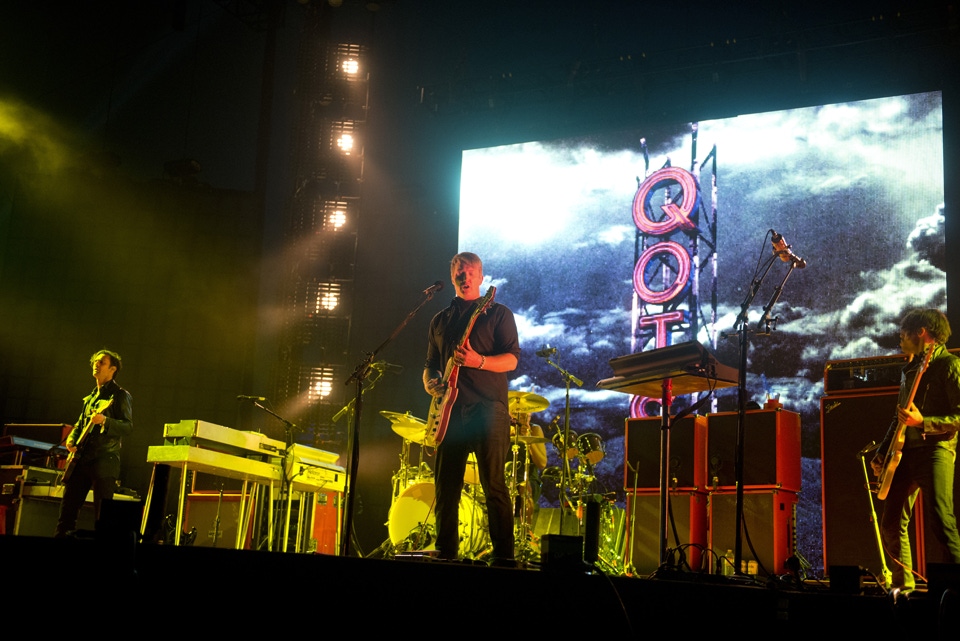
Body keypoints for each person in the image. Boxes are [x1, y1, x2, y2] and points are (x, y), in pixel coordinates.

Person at [423, 252, 520, 565]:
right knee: (446, 486)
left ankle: (504, 558)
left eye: (470, 273)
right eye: (459, 272)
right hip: (450, 413)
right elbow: (430, 365)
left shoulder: (497, 313)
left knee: (494, 484)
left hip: (488, 409)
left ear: (481, 277)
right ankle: (446, 552)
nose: (464, 278)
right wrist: (430, 381)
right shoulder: (439, 321)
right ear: (452, 275)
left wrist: (479, 361)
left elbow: (512, 359)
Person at [871, 308, 960, 591]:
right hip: (904, 454)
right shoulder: (909, 369)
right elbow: (898, 417)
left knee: (941, 522)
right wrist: (883, 451)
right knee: (891, 522)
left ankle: (955, 590)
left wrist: (925, 422)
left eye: (904, 333)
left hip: (936, 450)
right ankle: (903, 588)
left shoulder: (950, 365)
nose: (900, 338)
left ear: (922, 332)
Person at [56, 349, 133, 537]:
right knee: (67, 514)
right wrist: (72, 439)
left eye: (101, 363)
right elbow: (80, 423)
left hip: (105, 460)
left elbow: (128, 427)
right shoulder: (90, 397)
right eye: (95, 362)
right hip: (81, 460)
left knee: (103, 517)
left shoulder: (120, 395)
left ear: (113, 369)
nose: (96, 365)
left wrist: (105, 421)